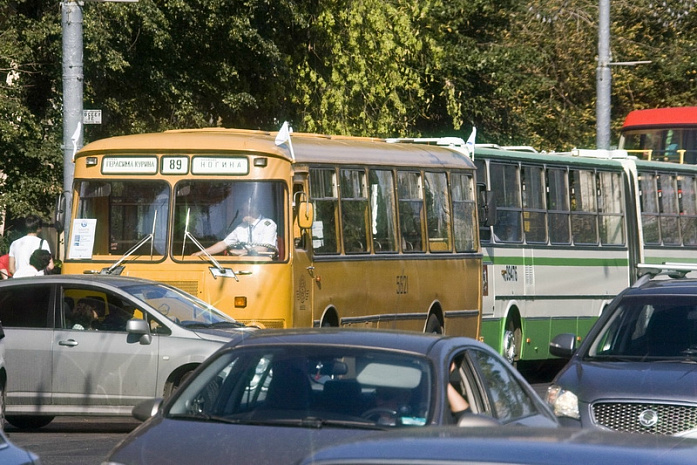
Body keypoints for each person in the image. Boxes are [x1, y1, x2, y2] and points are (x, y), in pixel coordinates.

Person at [193, 202, 277, 257]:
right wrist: (201, 253)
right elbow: (223, 244)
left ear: (252, 210)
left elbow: (264, 248)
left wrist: (241, 251)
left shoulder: (268, 224)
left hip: (263, 266)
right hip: (243, 263)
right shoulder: (241, 227)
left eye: (242, 211)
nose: (239, 214)